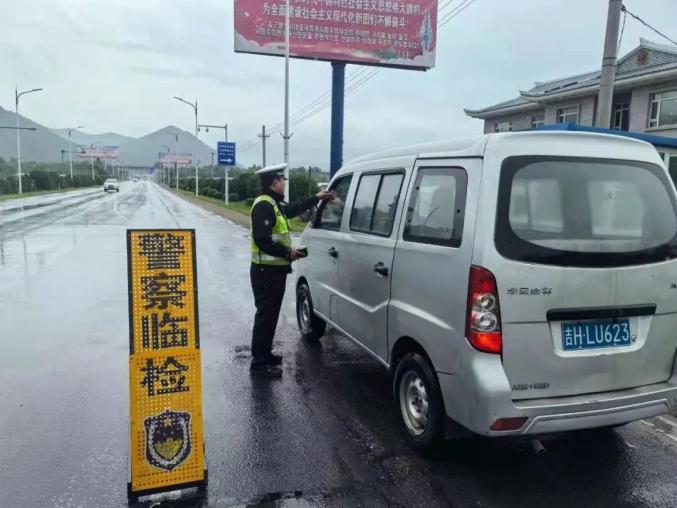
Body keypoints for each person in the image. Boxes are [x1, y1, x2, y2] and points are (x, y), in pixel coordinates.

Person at [249, 164, 331, 377]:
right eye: (282, 180)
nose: (284, 183)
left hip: (273, 272)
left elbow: (294, 209)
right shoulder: (264, 205)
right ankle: (259, 364)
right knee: (265, 316)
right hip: (265, 272)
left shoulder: (273, 203)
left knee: (271, 316)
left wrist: (316, 198)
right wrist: (289, 252)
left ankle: (266, 355)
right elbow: (262, 240)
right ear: (275, 182)